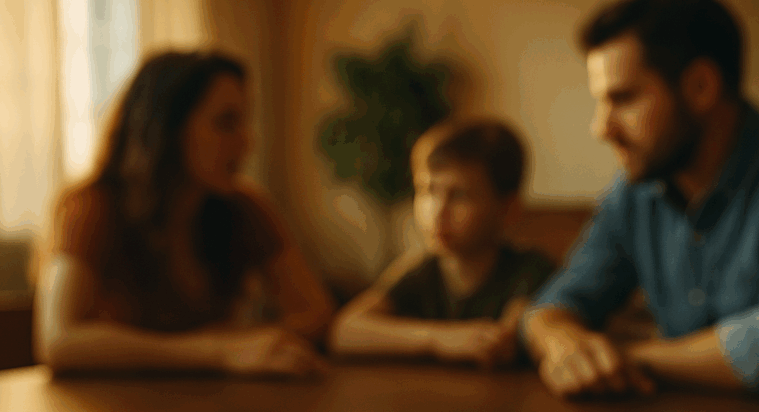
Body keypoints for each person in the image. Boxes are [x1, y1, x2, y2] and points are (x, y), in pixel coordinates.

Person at [523, 0, 759, 397]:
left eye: (624, 99)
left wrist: (618, 358)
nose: (600, 128)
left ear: (701, 86)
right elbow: (549, 307)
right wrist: (562, 342)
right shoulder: (635, 191)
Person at [36, 51, 335, 376]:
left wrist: (241, 344)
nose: (246, 142)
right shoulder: (91, 206)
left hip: (206, 408)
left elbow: (316, 312)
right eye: (225, 123)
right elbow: (59, 339)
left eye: (244, 122)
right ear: (166, 128)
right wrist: (215, 351)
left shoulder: (244, 208)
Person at [328, 120, 555, 369]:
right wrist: (438, 340)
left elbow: (504, 341)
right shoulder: (420, 269)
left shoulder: (531, 271)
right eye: (428, 190)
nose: (438, 210)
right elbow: (344, 331)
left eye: (460, 195)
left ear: (508, 209)